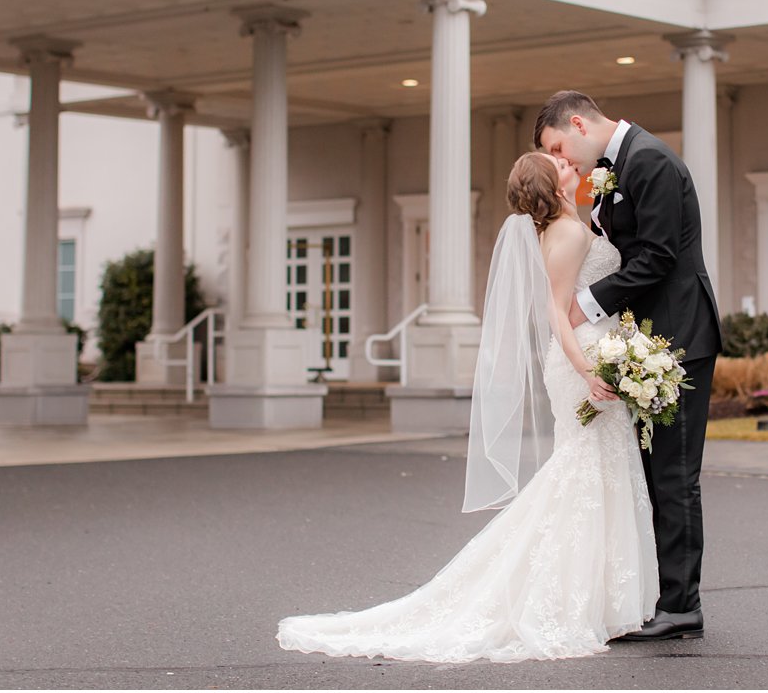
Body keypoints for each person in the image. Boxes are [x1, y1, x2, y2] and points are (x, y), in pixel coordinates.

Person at [276, 152, 657, 663]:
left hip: (600, 352)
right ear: (554, 183)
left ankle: (600, 597)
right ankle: (570, 600)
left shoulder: (575, 222)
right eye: (559, 161)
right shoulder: (565, 235)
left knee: (598, 470)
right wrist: (589, 371)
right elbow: (557, 312)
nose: (569, 161)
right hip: (582, 361)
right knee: (584, 471)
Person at [535, 90, 722, 642]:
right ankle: (663, 598)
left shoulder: (651, 161)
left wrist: (586, 304)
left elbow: (659, 257)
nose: (563, 160)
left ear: (576, 123)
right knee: (652, 473)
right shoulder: (622, 166)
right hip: (646, 342)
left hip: (680, 338)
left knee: (674, 474)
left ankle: (682, 606)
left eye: (558, 146)